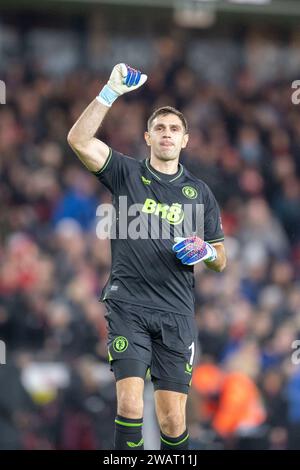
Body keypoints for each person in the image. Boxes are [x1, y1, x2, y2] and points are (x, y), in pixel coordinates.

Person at [67, 63, 226, 450]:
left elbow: (221, 258)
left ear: (185, 140)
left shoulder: (200, 193)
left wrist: (206, 250)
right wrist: (109, 92)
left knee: (172, 420)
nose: (167, 134)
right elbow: (78, 140)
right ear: (148, 137)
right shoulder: (125, 173)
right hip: (128, 305)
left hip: (176, 312)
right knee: (130, 402)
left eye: (174, 129)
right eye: (160, 128)